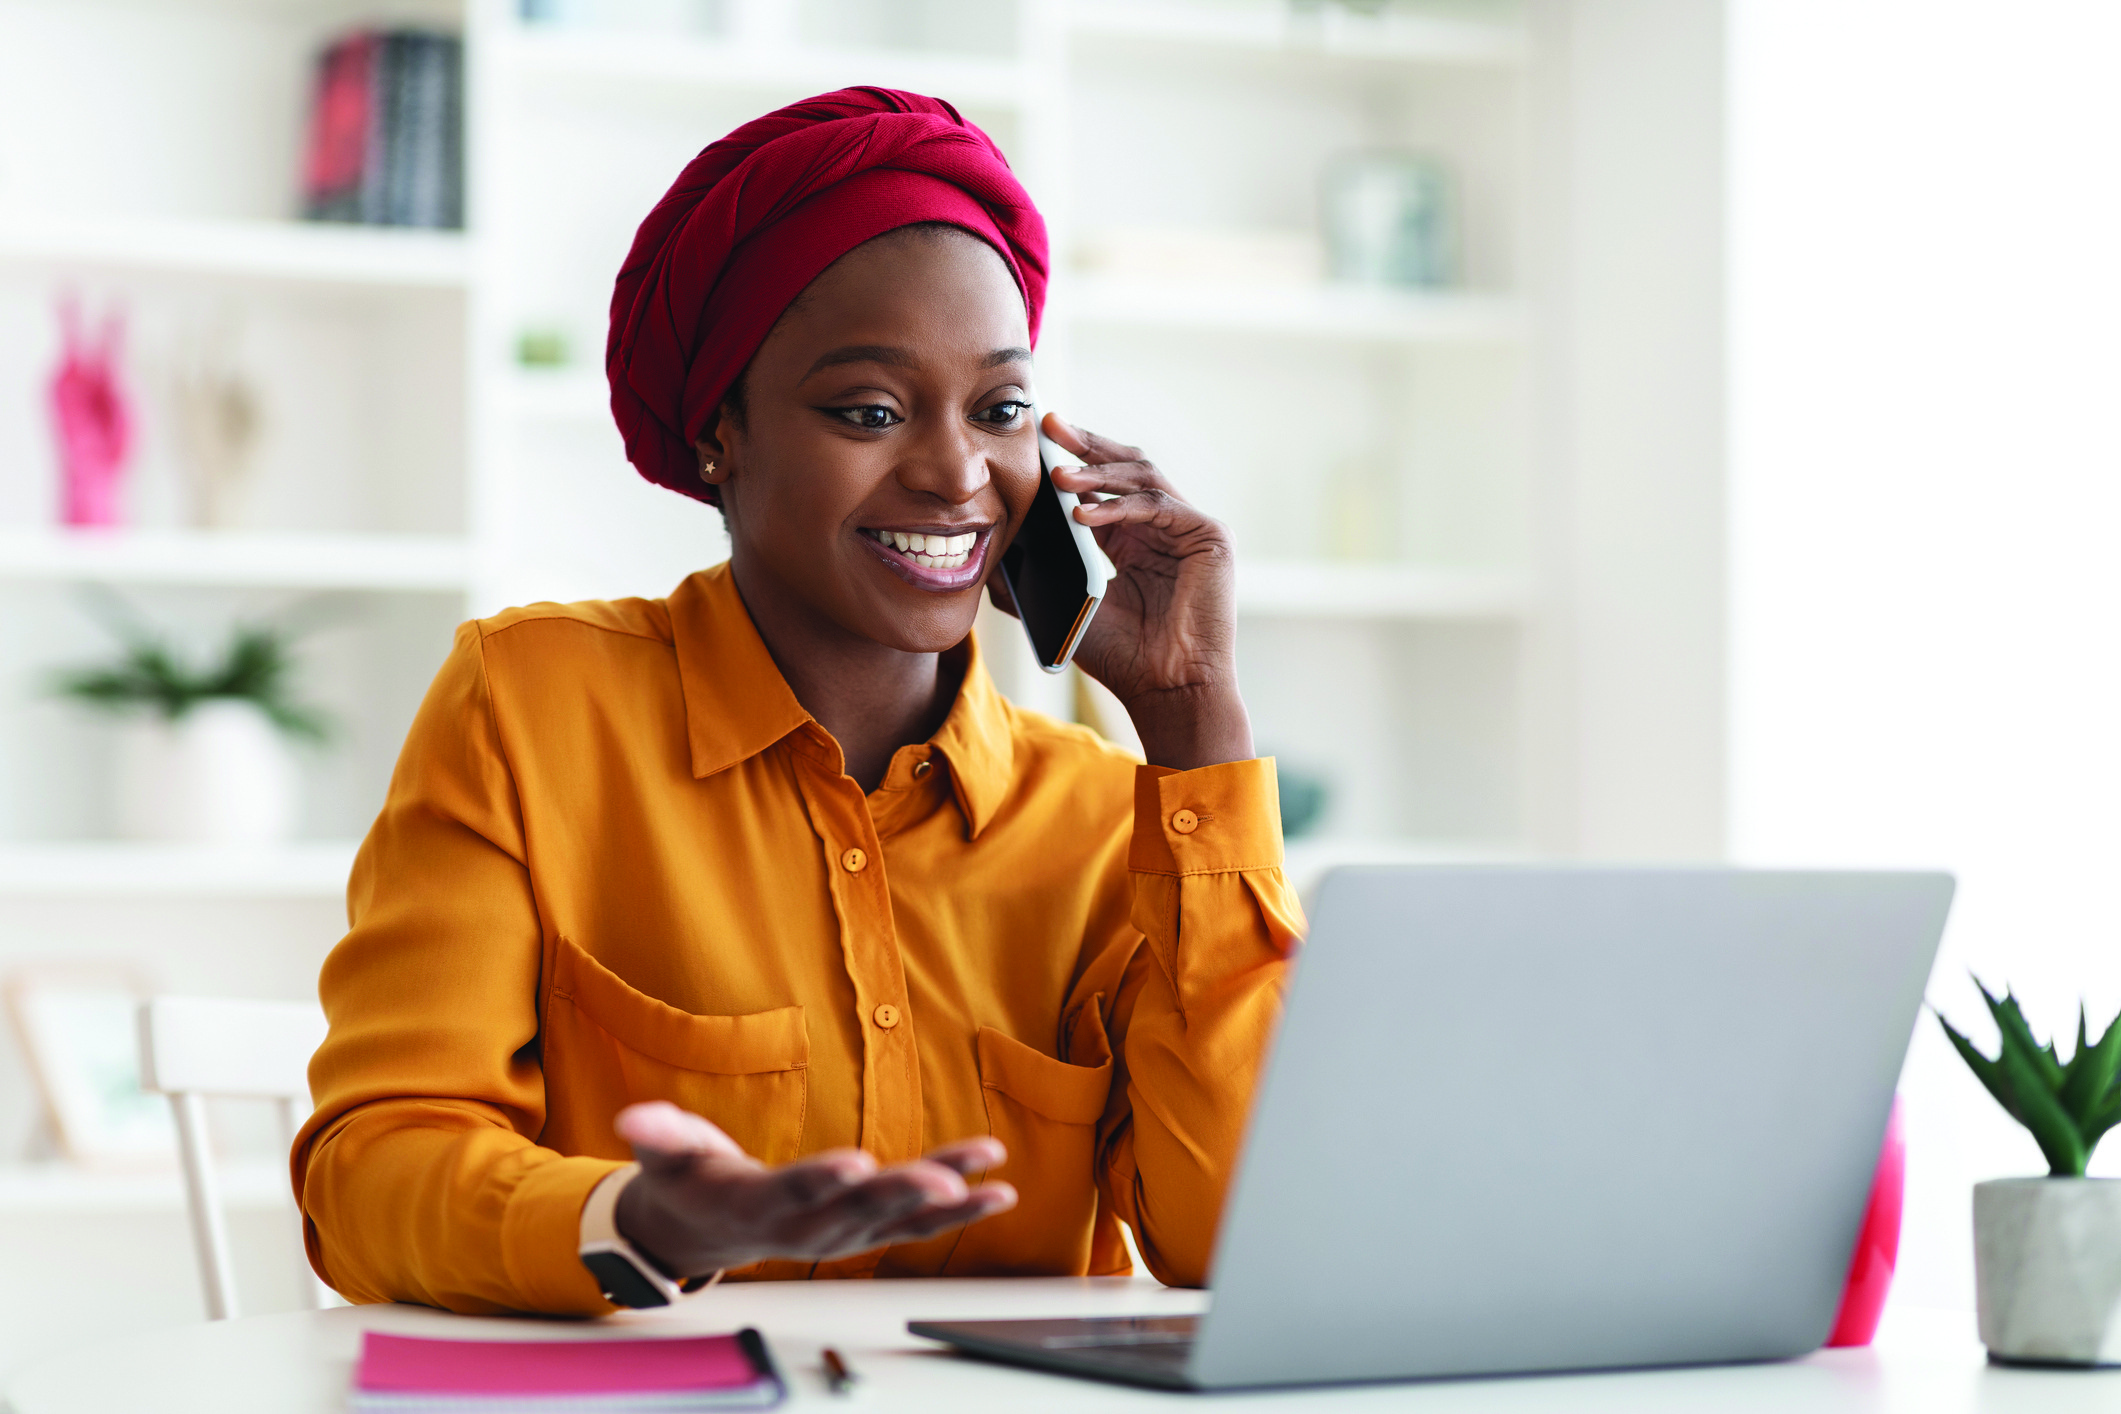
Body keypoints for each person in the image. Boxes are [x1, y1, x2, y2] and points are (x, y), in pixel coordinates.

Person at [293, 87, 1301, 1316]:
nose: (955, 472)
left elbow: (1241, 1242)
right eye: (870, 411)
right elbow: (371, 1170)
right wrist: (635, 1219)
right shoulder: (531, 707)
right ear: (723, 432)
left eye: (1002, 410)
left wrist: (1199, 725)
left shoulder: (1101, 814)